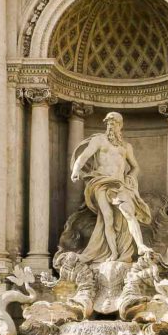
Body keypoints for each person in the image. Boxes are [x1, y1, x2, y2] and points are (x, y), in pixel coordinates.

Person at [70, 112, 152, 263]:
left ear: (120, 125)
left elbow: (135, 167)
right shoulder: (98, 140)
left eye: (113, 123)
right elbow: (84, 156)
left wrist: (130, 178)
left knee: (128, 212)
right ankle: (113, 253)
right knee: (107, 218)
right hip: (101, 182)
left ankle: (140, 246)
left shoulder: (126, 147)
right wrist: (76, 169)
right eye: (108, 123)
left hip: (119, 184)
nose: (110, 126)